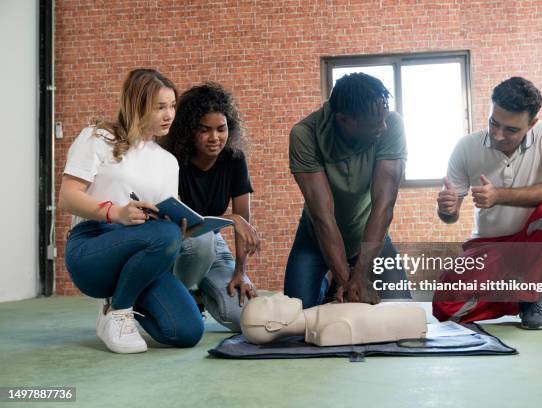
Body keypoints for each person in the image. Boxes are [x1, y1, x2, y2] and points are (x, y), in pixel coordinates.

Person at [59, 69, 204, 354]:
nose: (169, 115)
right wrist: (116, 213)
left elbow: (164, 217)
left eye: (172, 106)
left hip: (143, 252)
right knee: (164, 234)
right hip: (92, 246)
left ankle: (127, 296)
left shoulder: (167, 162)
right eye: (160, 107)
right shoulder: (98, 137)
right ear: (137, 105)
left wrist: (181, 231)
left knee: (187, 332)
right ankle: (117, 310)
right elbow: (67, 197)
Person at [434, 76, 542, 329]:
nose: (498, 135)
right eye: (494, 123)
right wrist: (446, 208)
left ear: (532, 123)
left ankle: (530, 297)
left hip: (532, 242)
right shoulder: (466, 147)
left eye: (511, 129)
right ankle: (517, 295)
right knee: (445, 308)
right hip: (487, 244)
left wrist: (499, 195)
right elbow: (450, 216)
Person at [285, 72, 409, 308]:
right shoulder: (305, 135)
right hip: (315, 239)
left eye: (384, 119)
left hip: (369, 235)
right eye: (374, 124)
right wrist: (345, 283)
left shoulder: (391, 125)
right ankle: (330, 279)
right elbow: (323, 216)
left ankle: (343, 276)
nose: (383, 127)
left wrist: (361, 275)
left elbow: (384, 204)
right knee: (296, 319)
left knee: (401, 311)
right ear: (344, 120)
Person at [162, 82, 260, 332]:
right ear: (189, 130)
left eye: (221, 129)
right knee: (201, 242)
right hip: (175, 244)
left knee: (244, 318)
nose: (215, 138)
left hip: (211, 245)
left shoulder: (234, 159)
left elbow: (243, 220)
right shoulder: (171, 159)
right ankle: (182, 296)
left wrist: (241, 272)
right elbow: (176, 218)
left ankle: (200, 292)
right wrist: (232, 218)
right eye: (204, 130)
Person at [240, 293, 426, 346]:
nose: (279, 294)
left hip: (409, 314)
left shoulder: (318, 316)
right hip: (411, 320)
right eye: (271, 303)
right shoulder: (328, 331)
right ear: (272, 326)